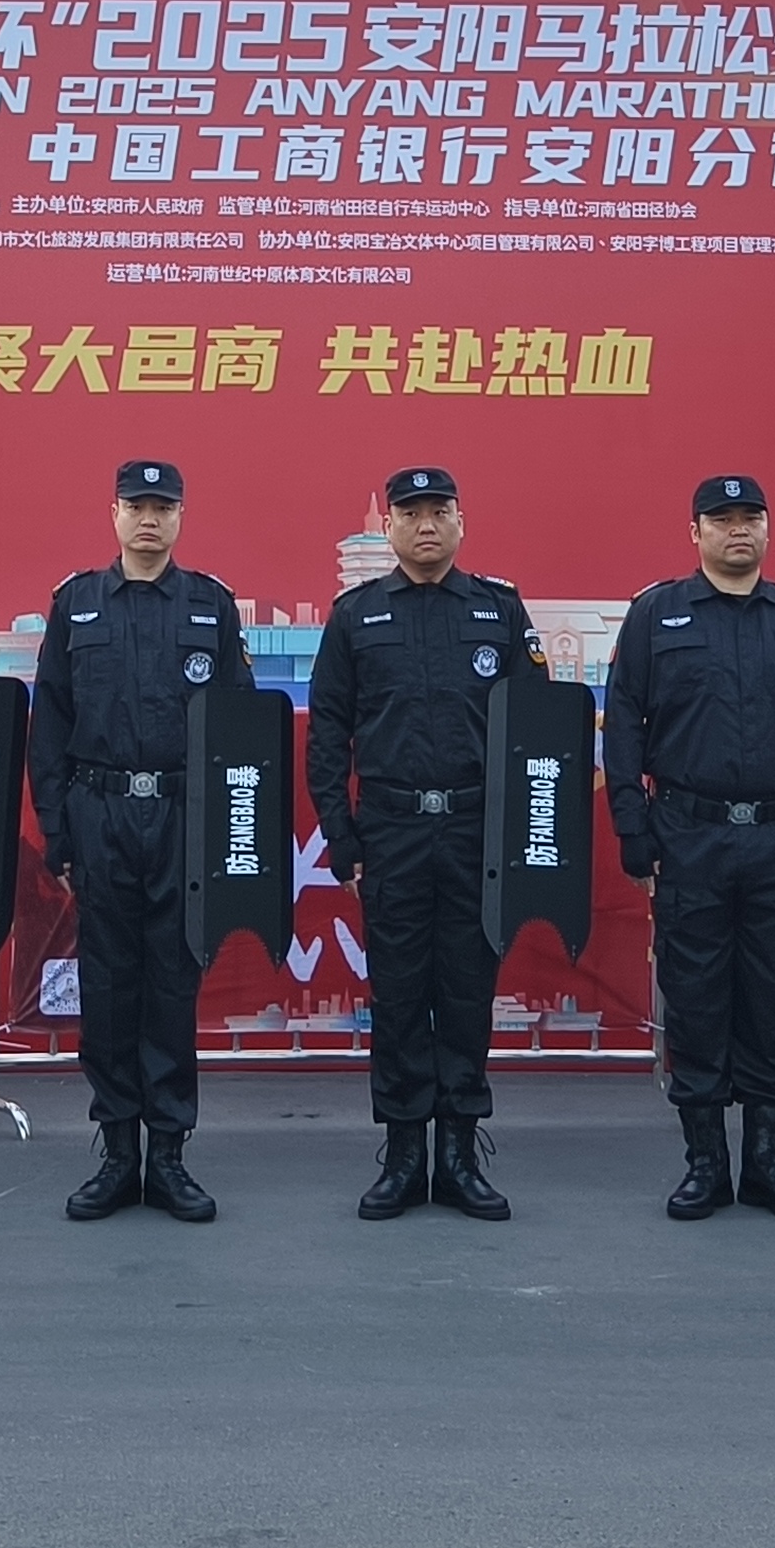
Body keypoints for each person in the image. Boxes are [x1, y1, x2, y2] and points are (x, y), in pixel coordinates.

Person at [307, 464, 547, 1221]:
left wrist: (523, 837)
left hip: (477, 832)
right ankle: (404, 1153)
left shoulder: (498, 611)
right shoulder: (356, 617)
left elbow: (538, 733)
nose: (426, 525)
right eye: (410, 514)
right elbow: (327, 737)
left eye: (439, 511)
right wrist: (342, 838)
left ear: (461, 522)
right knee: (401, 996)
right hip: (393, 831)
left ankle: (460, 1155)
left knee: (468, 995)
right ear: (389, 528)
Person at [602, 474, 775, 1222]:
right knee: (698, 1001)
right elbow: (624, 724)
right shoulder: (657, 616)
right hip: (689, 836)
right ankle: (705, 1164)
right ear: (695, 533)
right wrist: (633, 829)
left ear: (768, 530)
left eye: (751, 517)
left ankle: (769, 1163)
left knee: (769, 1003)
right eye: (722, 518)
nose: (738, 529)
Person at [28, 456, 254, 1223]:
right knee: (109, 989)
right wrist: (58, 833)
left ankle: (170, 1157)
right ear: (115, 514)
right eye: (136, 505)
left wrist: (227, 835)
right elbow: (50, 727)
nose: (149, 518)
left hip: (183, 820)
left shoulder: (210, 606)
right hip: (101, 815)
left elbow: (239, 731)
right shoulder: (77, 605)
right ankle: (118, 1154)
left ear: (181, 516)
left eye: (163, 506)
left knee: (171, 989)